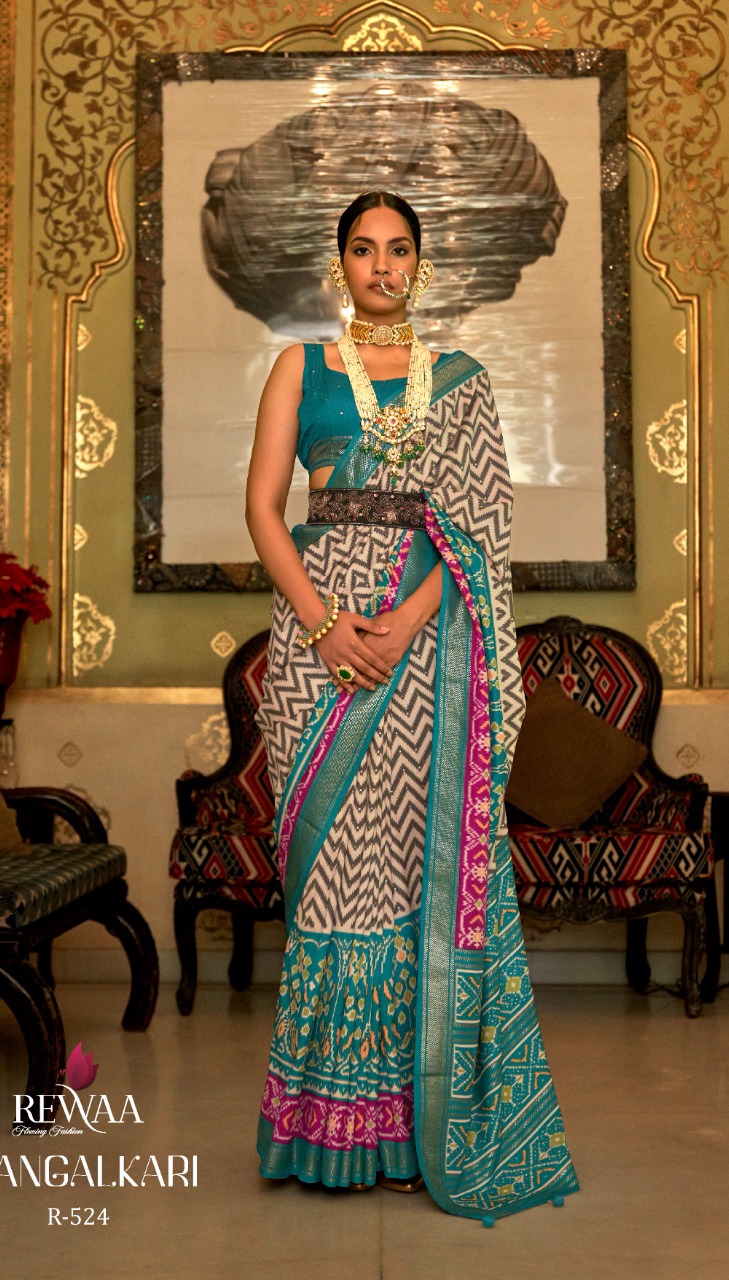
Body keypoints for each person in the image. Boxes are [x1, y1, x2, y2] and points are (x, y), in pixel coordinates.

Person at [245, 191, 579, 1224]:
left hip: (424, 649)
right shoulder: (300, 368)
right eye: (363, 249)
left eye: (398, 250)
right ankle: (322, 1127)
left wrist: (401, 621)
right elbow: (261, 508)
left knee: (404, 878)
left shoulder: (461, 381)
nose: (381, 266)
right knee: (330, 884)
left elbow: (479, 526)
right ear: (339, 263)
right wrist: (323, 625)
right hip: (316, 649)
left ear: (418, 265)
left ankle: (402, 1125)